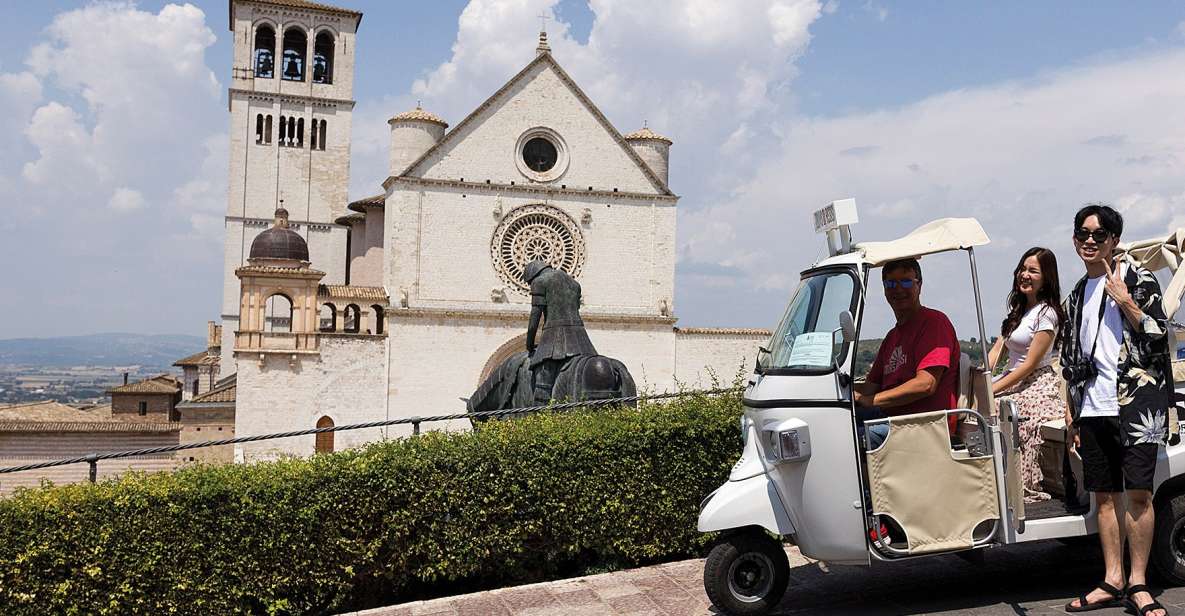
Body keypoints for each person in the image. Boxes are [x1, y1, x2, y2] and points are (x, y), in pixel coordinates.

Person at [1060, 204, 1171, 616]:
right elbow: (1071, 360)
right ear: (1075, 240)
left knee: (1140, 494)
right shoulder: (1076, 294)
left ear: (1115, 240)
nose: (1091, 240)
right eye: (1083, 233)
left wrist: (1127, 303)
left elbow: (1161, 339)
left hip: (1136, 405)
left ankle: (1140, 585)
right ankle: (1112, 579)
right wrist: (1072, 413)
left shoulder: (1140, 279)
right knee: (1104, 498)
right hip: (1092, 406)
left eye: (1100, 234)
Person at [854, 258, 961, 449]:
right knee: (837, 423)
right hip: (893, 419)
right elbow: (870, 387)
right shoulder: (892, 337)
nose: (898, 289)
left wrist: (869, 401)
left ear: (919, 285)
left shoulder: (934, 323)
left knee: (850, 439)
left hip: (924, 427)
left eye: (905, 281)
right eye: (890, 283)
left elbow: (926, 384)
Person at [987, 247, 1065, 503]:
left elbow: (1029, 364)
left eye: (1033, 270)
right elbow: (997, 351)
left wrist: (993, 390)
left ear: (1046, 278)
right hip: (1013, 377)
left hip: (1035, 382)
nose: (1025, 275)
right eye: (1023, 269)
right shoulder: (1017, 312)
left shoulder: (1047, 314)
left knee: (1002, 409)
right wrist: (980, 379)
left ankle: (1019, 484)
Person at [524, 260, 597, 404]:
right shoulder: (574, 284)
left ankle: (541, 412)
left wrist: (529, 344)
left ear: (532, 276)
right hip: (582, 340)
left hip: (554, 338)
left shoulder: (539, 281)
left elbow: (535, 318)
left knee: (542, 381)